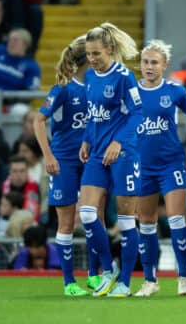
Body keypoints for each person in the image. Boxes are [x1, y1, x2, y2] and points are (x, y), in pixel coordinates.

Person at [78, 22, 142, 297]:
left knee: (127, 221)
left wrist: (119, 141)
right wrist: (86, 139)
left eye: (97, 54)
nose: (92, 59)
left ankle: (125, 283)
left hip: (123, 154)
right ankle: (109, 269)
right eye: (89, 54)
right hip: (96, 153)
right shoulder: (90, 77)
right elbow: (94, 115)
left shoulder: (124, 77)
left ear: (110, 50)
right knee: (87, 213)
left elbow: (137, 114)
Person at [133, 40, 186, 297]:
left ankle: (183, 277)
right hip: (142, 165)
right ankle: (150, 280)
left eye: (154, 62)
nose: (149, 67)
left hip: (171, 162)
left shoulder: (175, 91)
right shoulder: (130, 92)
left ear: (164, 65)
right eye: (145, 62)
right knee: (146, 222)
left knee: (175, 218)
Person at [33, 35, 96, 296]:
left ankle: (94, 276)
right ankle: (69, 282)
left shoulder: (98, 86)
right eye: (93, 54)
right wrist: (48, 155)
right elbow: (38, 120)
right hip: (64, 162)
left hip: (91, 159)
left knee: (95, 218)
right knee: (67, 223)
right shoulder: (63, 88)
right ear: (86, 60)